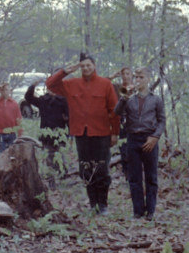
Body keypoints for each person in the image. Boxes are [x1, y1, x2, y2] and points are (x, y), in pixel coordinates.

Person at [46, 54, 120, 215]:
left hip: (101, 133)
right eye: (83, 66)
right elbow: (50, 84)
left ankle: (103, 205)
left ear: (94, 66)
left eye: (88, 65)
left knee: (101, 169)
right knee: (86, 169)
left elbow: (114, 110)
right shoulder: (72, 84)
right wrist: (64, 72)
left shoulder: (105, 84)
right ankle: (93, 204)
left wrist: (114, 133)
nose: (86, 68)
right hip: (81, 133)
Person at [115, 67, 165, 220]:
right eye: (136, 77)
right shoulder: (129, 99)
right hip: (132, 139)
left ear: (148, 79)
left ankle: (150, 211)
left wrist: (155, 137)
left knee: (151, 176)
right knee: (134, 177)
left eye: (141, 77)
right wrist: (124, 97)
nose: (138, 80)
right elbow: (117, 112)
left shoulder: (156, 100)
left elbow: (162, 120)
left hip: (150, 139)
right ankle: (138, 211)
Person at [24, 79, 70, 189]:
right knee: (49, 159)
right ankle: (51, 181)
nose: (52, 91)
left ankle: (63, 177)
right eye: (50, 88)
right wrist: (33, 86)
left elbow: (69, 118)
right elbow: (28, 98)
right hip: (46, 135)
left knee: (60, 157)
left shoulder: (63, 100)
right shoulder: (43, 100)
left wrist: (69, 133)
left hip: (60, 135)